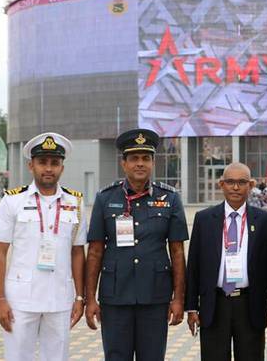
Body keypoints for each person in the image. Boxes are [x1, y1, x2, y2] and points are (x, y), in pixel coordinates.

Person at [84, 128, 189, 360]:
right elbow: (95, 252)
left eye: (146, 158)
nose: (140, 164)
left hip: (155, 296)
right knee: (116, 356)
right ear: (124, 164)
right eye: (134, 158)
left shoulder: (170, 198)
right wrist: (90, 298)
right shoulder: (105, 198)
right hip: (115, 297)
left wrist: (179, 298)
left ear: (153, 163)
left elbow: (177, 252)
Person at [0, 132, 86, 361]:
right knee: (18, 357)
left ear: (62, 167)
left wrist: (80, 297)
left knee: (57, 357)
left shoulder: (75, 203)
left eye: (55, 163)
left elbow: (77, 252)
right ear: (31, 165)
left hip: (60, 298)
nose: (48, 168)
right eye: (42, 162)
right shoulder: (12, 201)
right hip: (19, 299)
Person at [186, 162, 267, 360]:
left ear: (251, 185)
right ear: (221, 184)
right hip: (214, 304)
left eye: (242, 182)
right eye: (230, 182)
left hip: (250, 304)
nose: (236, 187)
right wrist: (191, 307)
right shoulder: (204, 219)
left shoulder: (265, 221)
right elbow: (194, 265)